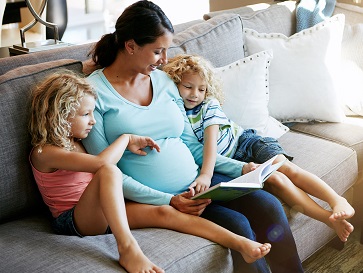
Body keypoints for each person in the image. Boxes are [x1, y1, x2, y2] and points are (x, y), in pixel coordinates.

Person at [82, 1, 305, 272]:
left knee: (268, 204)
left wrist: (242, 168)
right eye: (158, 51)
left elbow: (190, 145)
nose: (165, 60)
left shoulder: (163, 82)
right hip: (157, 198)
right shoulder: (93, 94)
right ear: (130, 46)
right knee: (238, 226)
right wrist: (169, 200)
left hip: (198, 185)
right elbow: (105, 170)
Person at [28, 70, 274, 273]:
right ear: (60, 115)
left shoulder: (78, 142)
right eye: (85, 114)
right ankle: (128, 249)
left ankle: (241, 244)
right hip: (74, 221)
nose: (92, 120)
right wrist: (125, 138)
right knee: (109, 172)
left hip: (104, 209)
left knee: (166, 213)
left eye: (93, 113)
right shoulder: (44, 152)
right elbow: (102, 164)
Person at [162, 54, 356, 243]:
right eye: (188, 87)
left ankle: (336, 200)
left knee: (285, 168)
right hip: (235, 163)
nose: (195, 94)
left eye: (201, 89)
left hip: (247, 143)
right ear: (175, 84)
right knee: (277, 181)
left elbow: (210, 145)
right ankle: (328, 219)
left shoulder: (209, 105)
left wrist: (206, 174)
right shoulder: (176, 115)